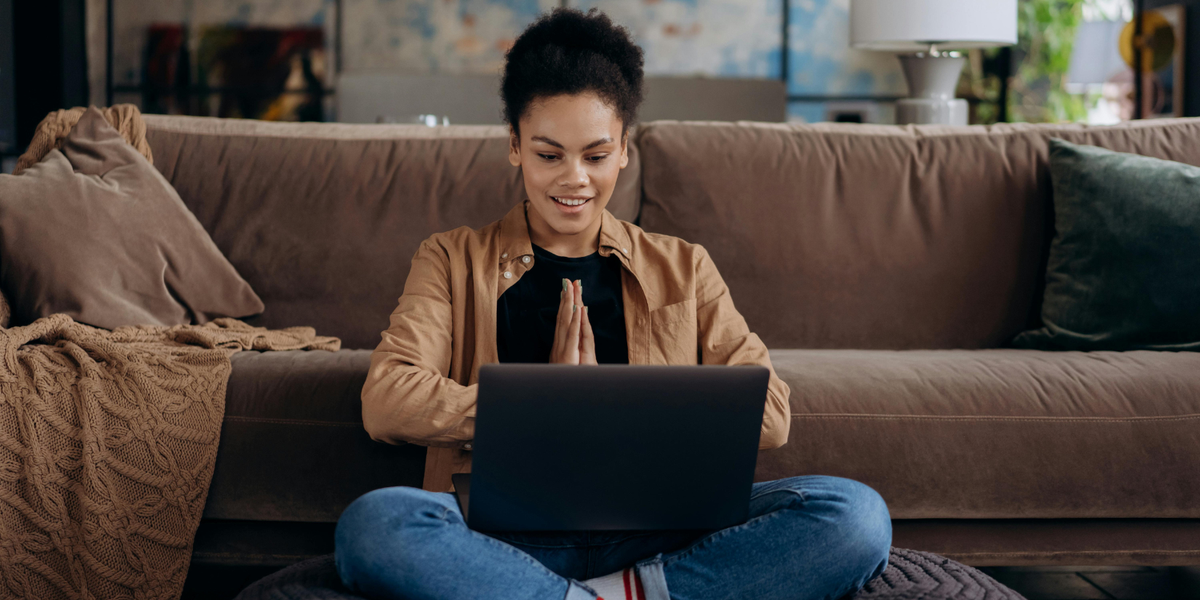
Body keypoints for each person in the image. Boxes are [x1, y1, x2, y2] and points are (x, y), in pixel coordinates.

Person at [335, 8, 891, 600]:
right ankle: (625, 595)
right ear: (515, 147)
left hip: (656, 533)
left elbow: (772, 414)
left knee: (855, 516)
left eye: (595, 156)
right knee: (373, 526)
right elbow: (387, 399)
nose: (574, 179)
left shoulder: (685, 266)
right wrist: (541, 410)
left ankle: (576, 593)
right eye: (549, 155)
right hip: (503, 536)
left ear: (624, 150)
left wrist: (605, 412)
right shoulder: (450, 258)